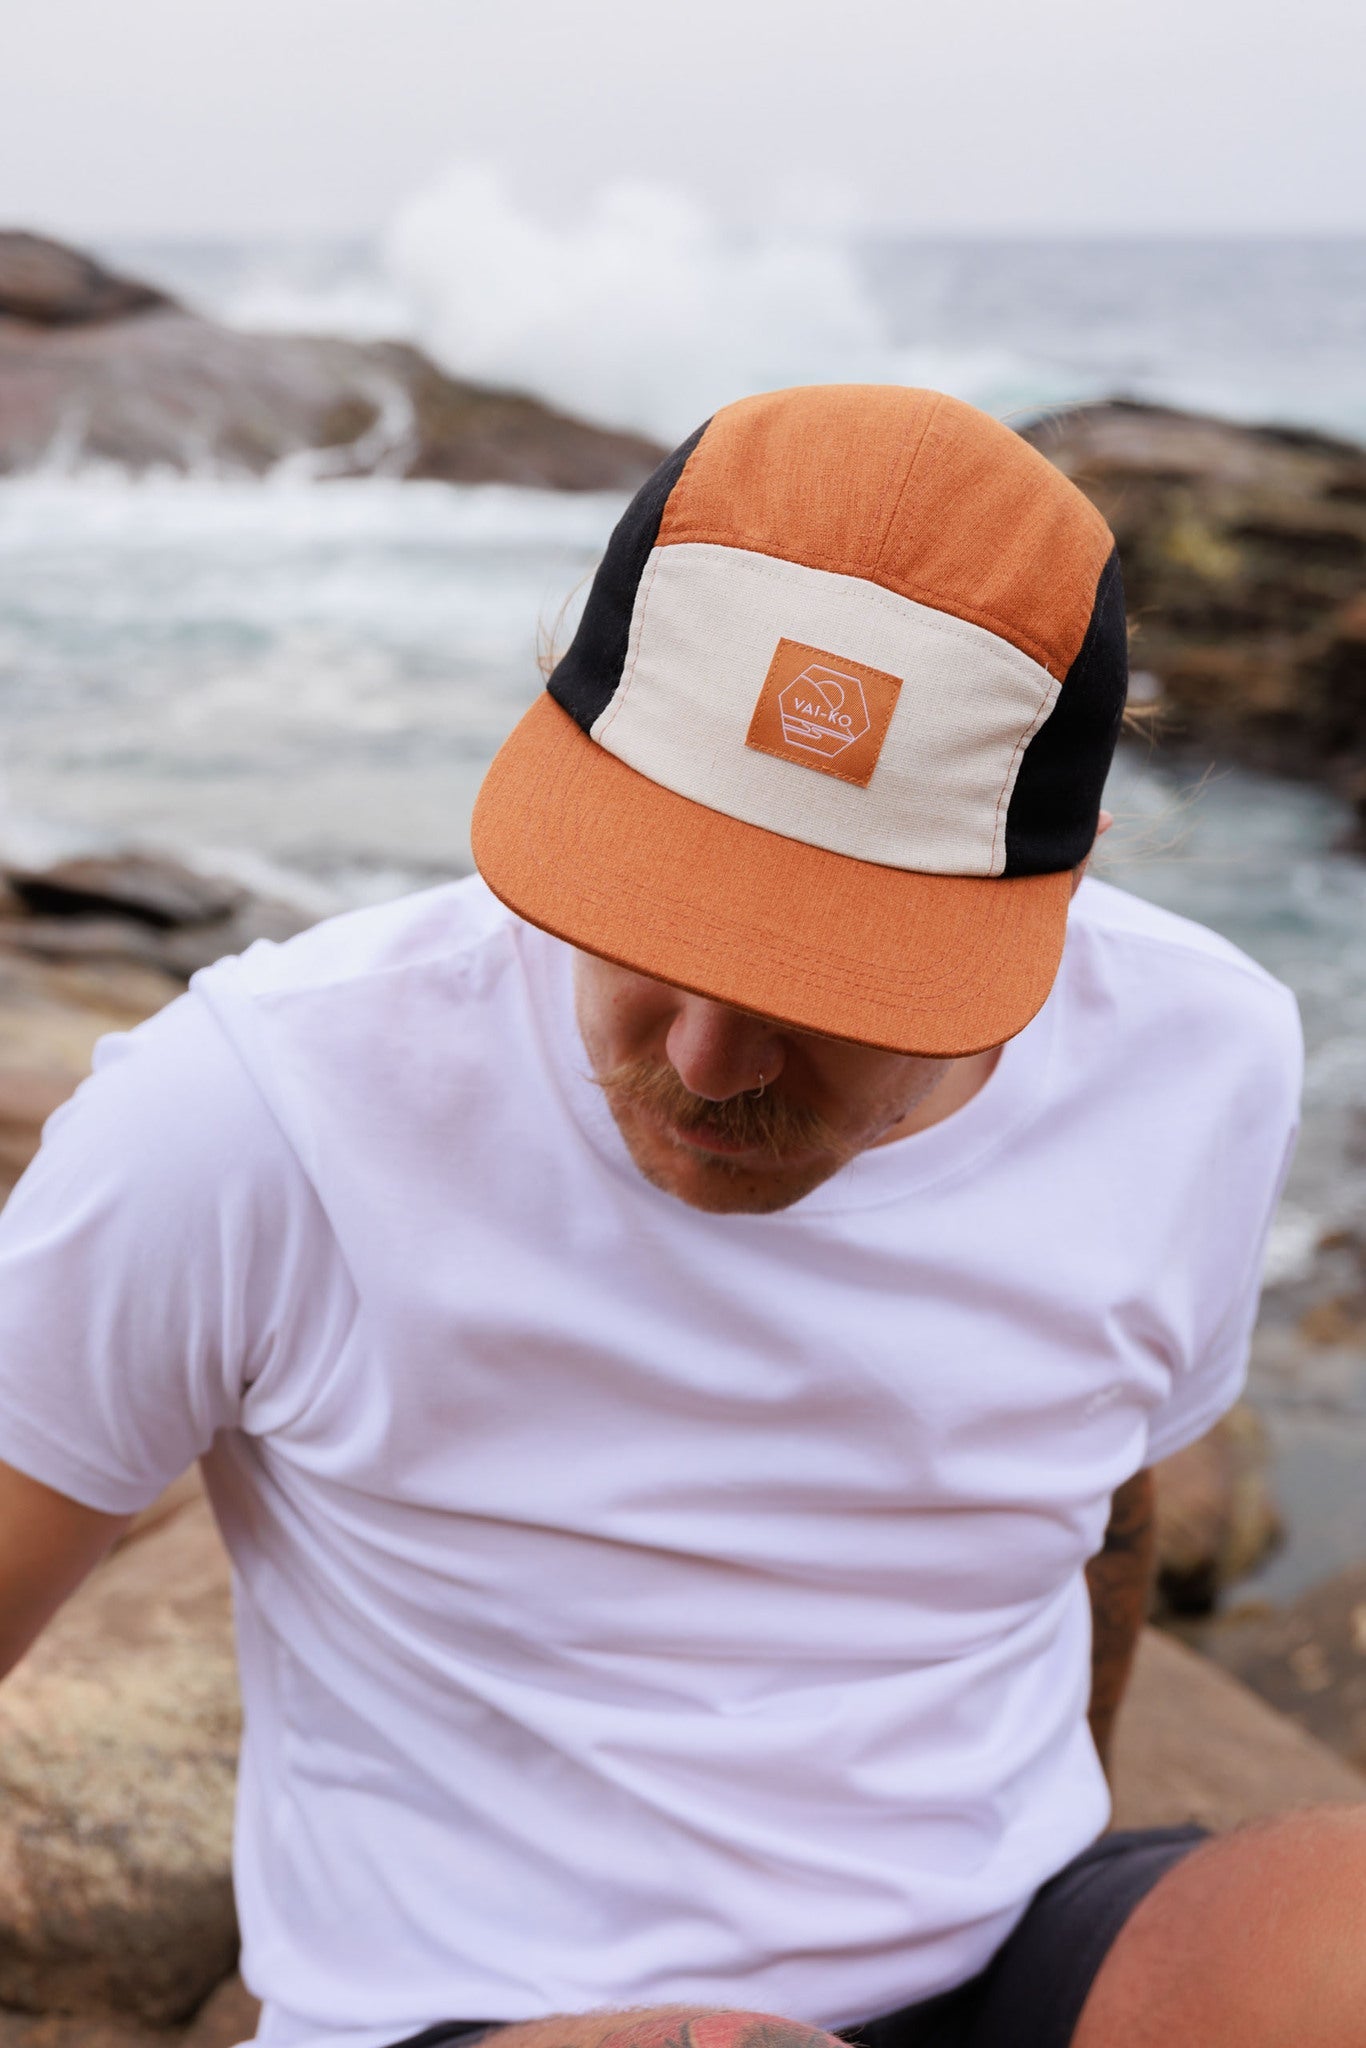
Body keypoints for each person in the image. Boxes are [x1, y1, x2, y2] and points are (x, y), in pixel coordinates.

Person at [0, 384, 1358, 2048]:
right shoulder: (256, 1109)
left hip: (1001, 1946)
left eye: (833, 981)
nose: (706, 1061)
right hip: (492, 2012)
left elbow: (1105, 1507)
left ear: (1050, 890)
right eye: (652, 919)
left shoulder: (1198, 1054)